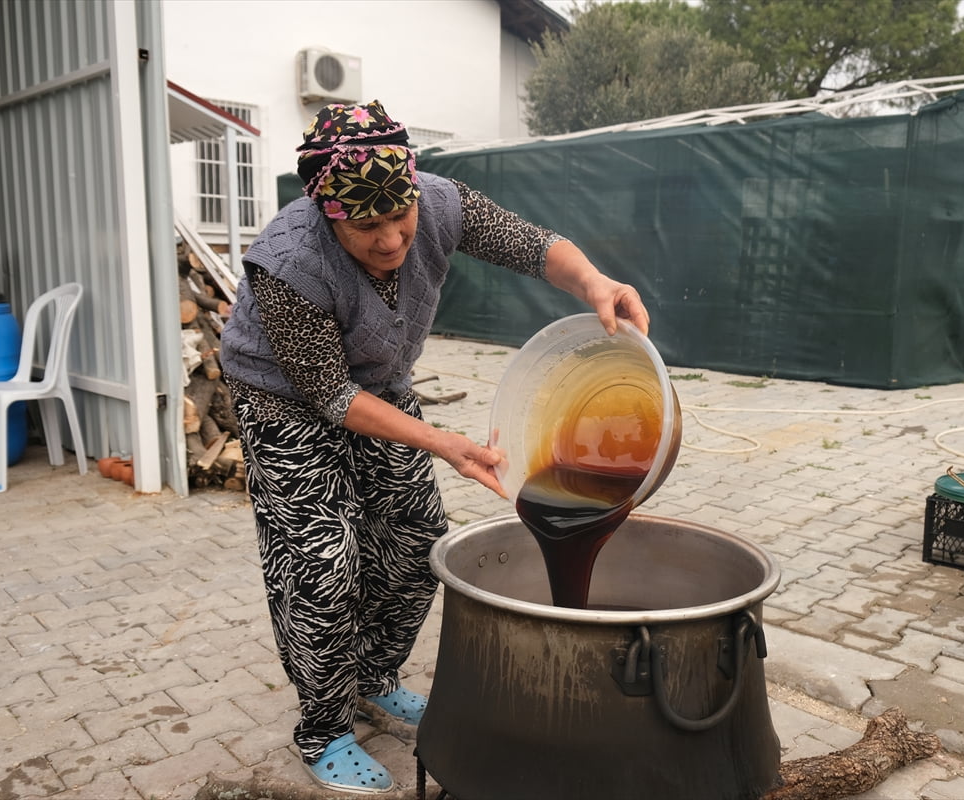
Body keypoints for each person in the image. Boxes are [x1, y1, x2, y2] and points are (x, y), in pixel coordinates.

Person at [220, 100, 650, 795]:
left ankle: (374, 677)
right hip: (285, 400)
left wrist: (597, 282)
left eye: (401, 217)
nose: (391, 239)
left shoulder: (443, 202)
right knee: (324, 561)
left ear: (415, 190)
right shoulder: (288, 261)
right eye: (368, 226)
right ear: (331, 214)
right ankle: (323, 727)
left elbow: (534, 246)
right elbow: (331, 397)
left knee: (420, 541)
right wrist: (445, 442)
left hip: (380, 383)